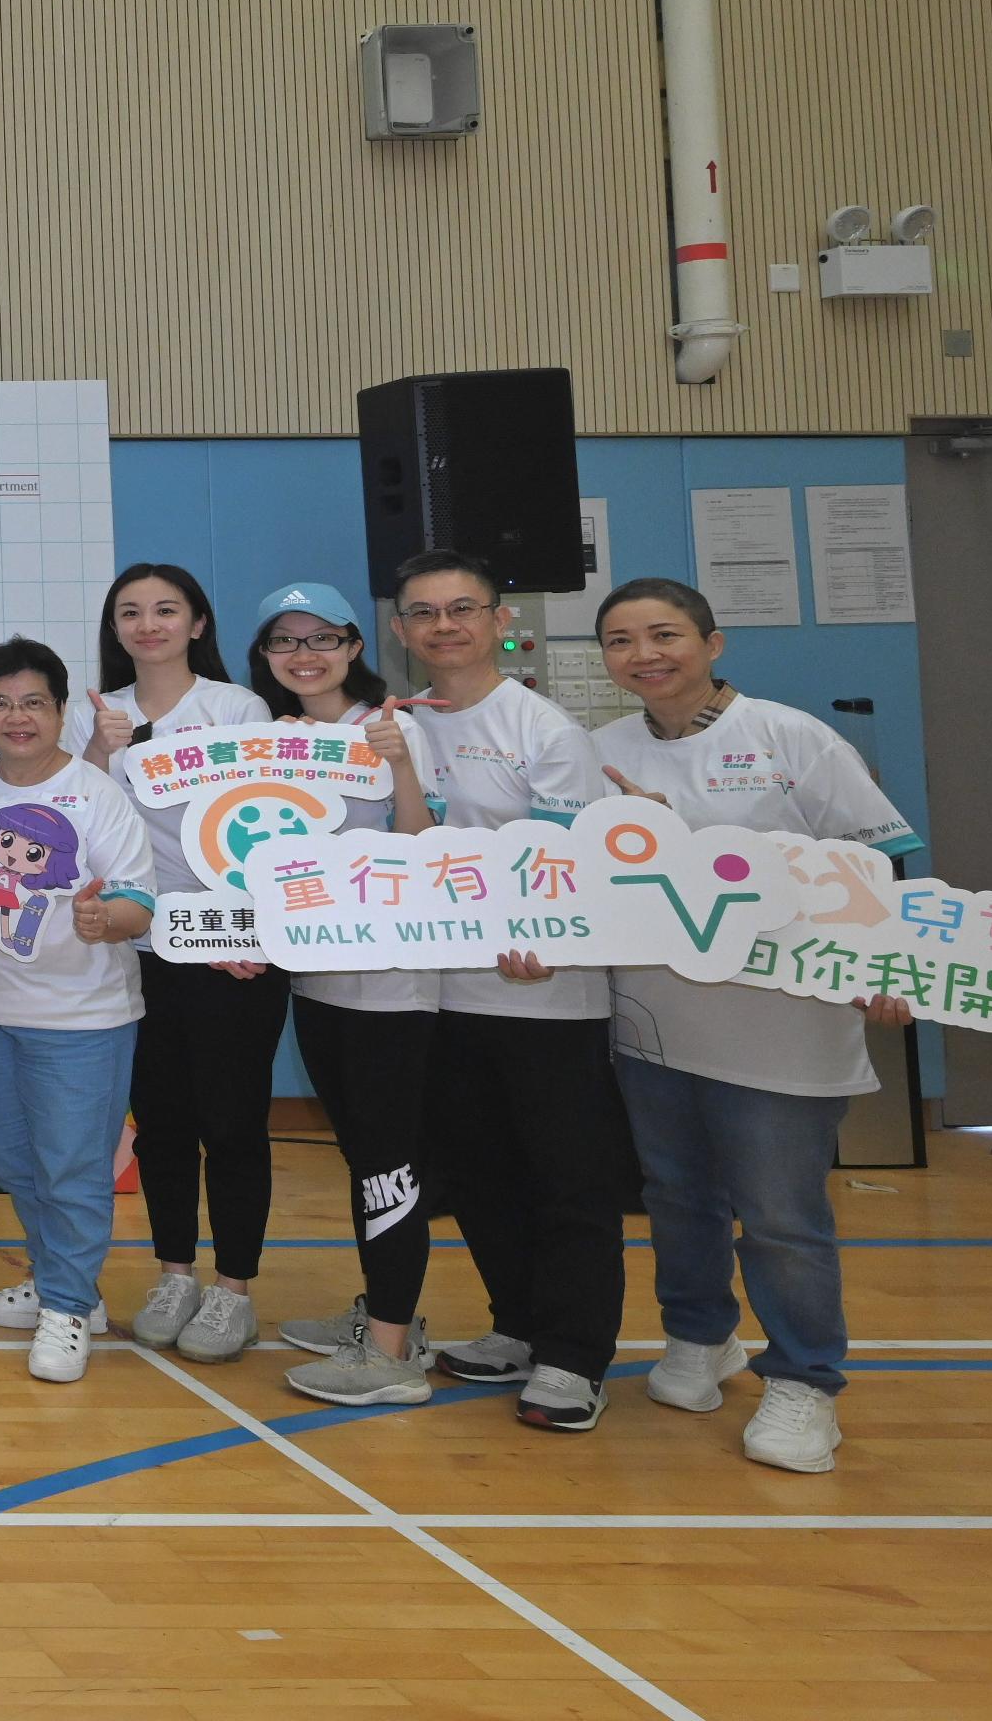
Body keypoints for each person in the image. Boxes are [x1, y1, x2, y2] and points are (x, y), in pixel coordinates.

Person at [591, 577, 927, 1472]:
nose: (645, 655)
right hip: (655, 1021)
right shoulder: (601, 750)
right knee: (676, 1197)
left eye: (665, 635)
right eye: (621, 641)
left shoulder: (791, 738)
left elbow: (885, 859)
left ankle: (806, 1381)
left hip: (786, 1024)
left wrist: (896, 964)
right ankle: (701, 1336)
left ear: (713, 642)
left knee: (782, 1215)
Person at [389, 549, 635, 1432]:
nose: (443, 626)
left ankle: (575, 1357)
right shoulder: (400, 727)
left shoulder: (543, 727)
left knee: (568, 1181)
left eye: (462, 609)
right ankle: (519, 1328)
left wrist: (544, 943)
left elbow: (566, 868)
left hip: (544, 1000)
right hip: (439, 995)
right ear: (401, 629)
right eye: (423, 612)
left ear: (500, 620)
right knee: (481, 1175)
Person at [244, 581, 449, 1408]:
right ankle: (385, 1313)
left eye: (322, 638)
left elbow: (425, 846)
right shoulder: (276, 738)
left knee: (389, 1167)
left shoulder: (394, 729)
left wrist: (396, 763)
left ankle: (393, 1351)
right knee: (364, 1155)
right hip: (319, 979)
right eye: (284, 642)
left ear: (356, 645)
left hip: (394, 984)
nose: (304, 655)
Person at [0, 637, 160, 1382]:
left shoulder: (97, 792)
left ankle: (65, 1307)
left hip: (83, 1019)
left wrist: (107, 920)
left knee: (71, 1166)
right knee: (10, 1157)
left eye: (33, 702)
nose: (16, 717)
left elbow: (137, 899)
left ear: (61, 710)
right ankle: (69, 1285)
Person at [78, 562, 285, 1363]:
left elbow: (271, 823)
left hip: (230, 945)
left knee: (232, 1124)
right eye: (130, 612)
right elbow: (79, 826)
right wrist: (98, 752)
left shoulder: (235, 707)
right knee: (161, 1125)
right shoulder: (101, 715)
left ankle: (233, 1290)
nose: (148, 624)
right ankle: (174, 1273)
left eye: (166, 610)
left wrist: (251, 932)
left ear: (198, 623)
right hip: (138, 949)